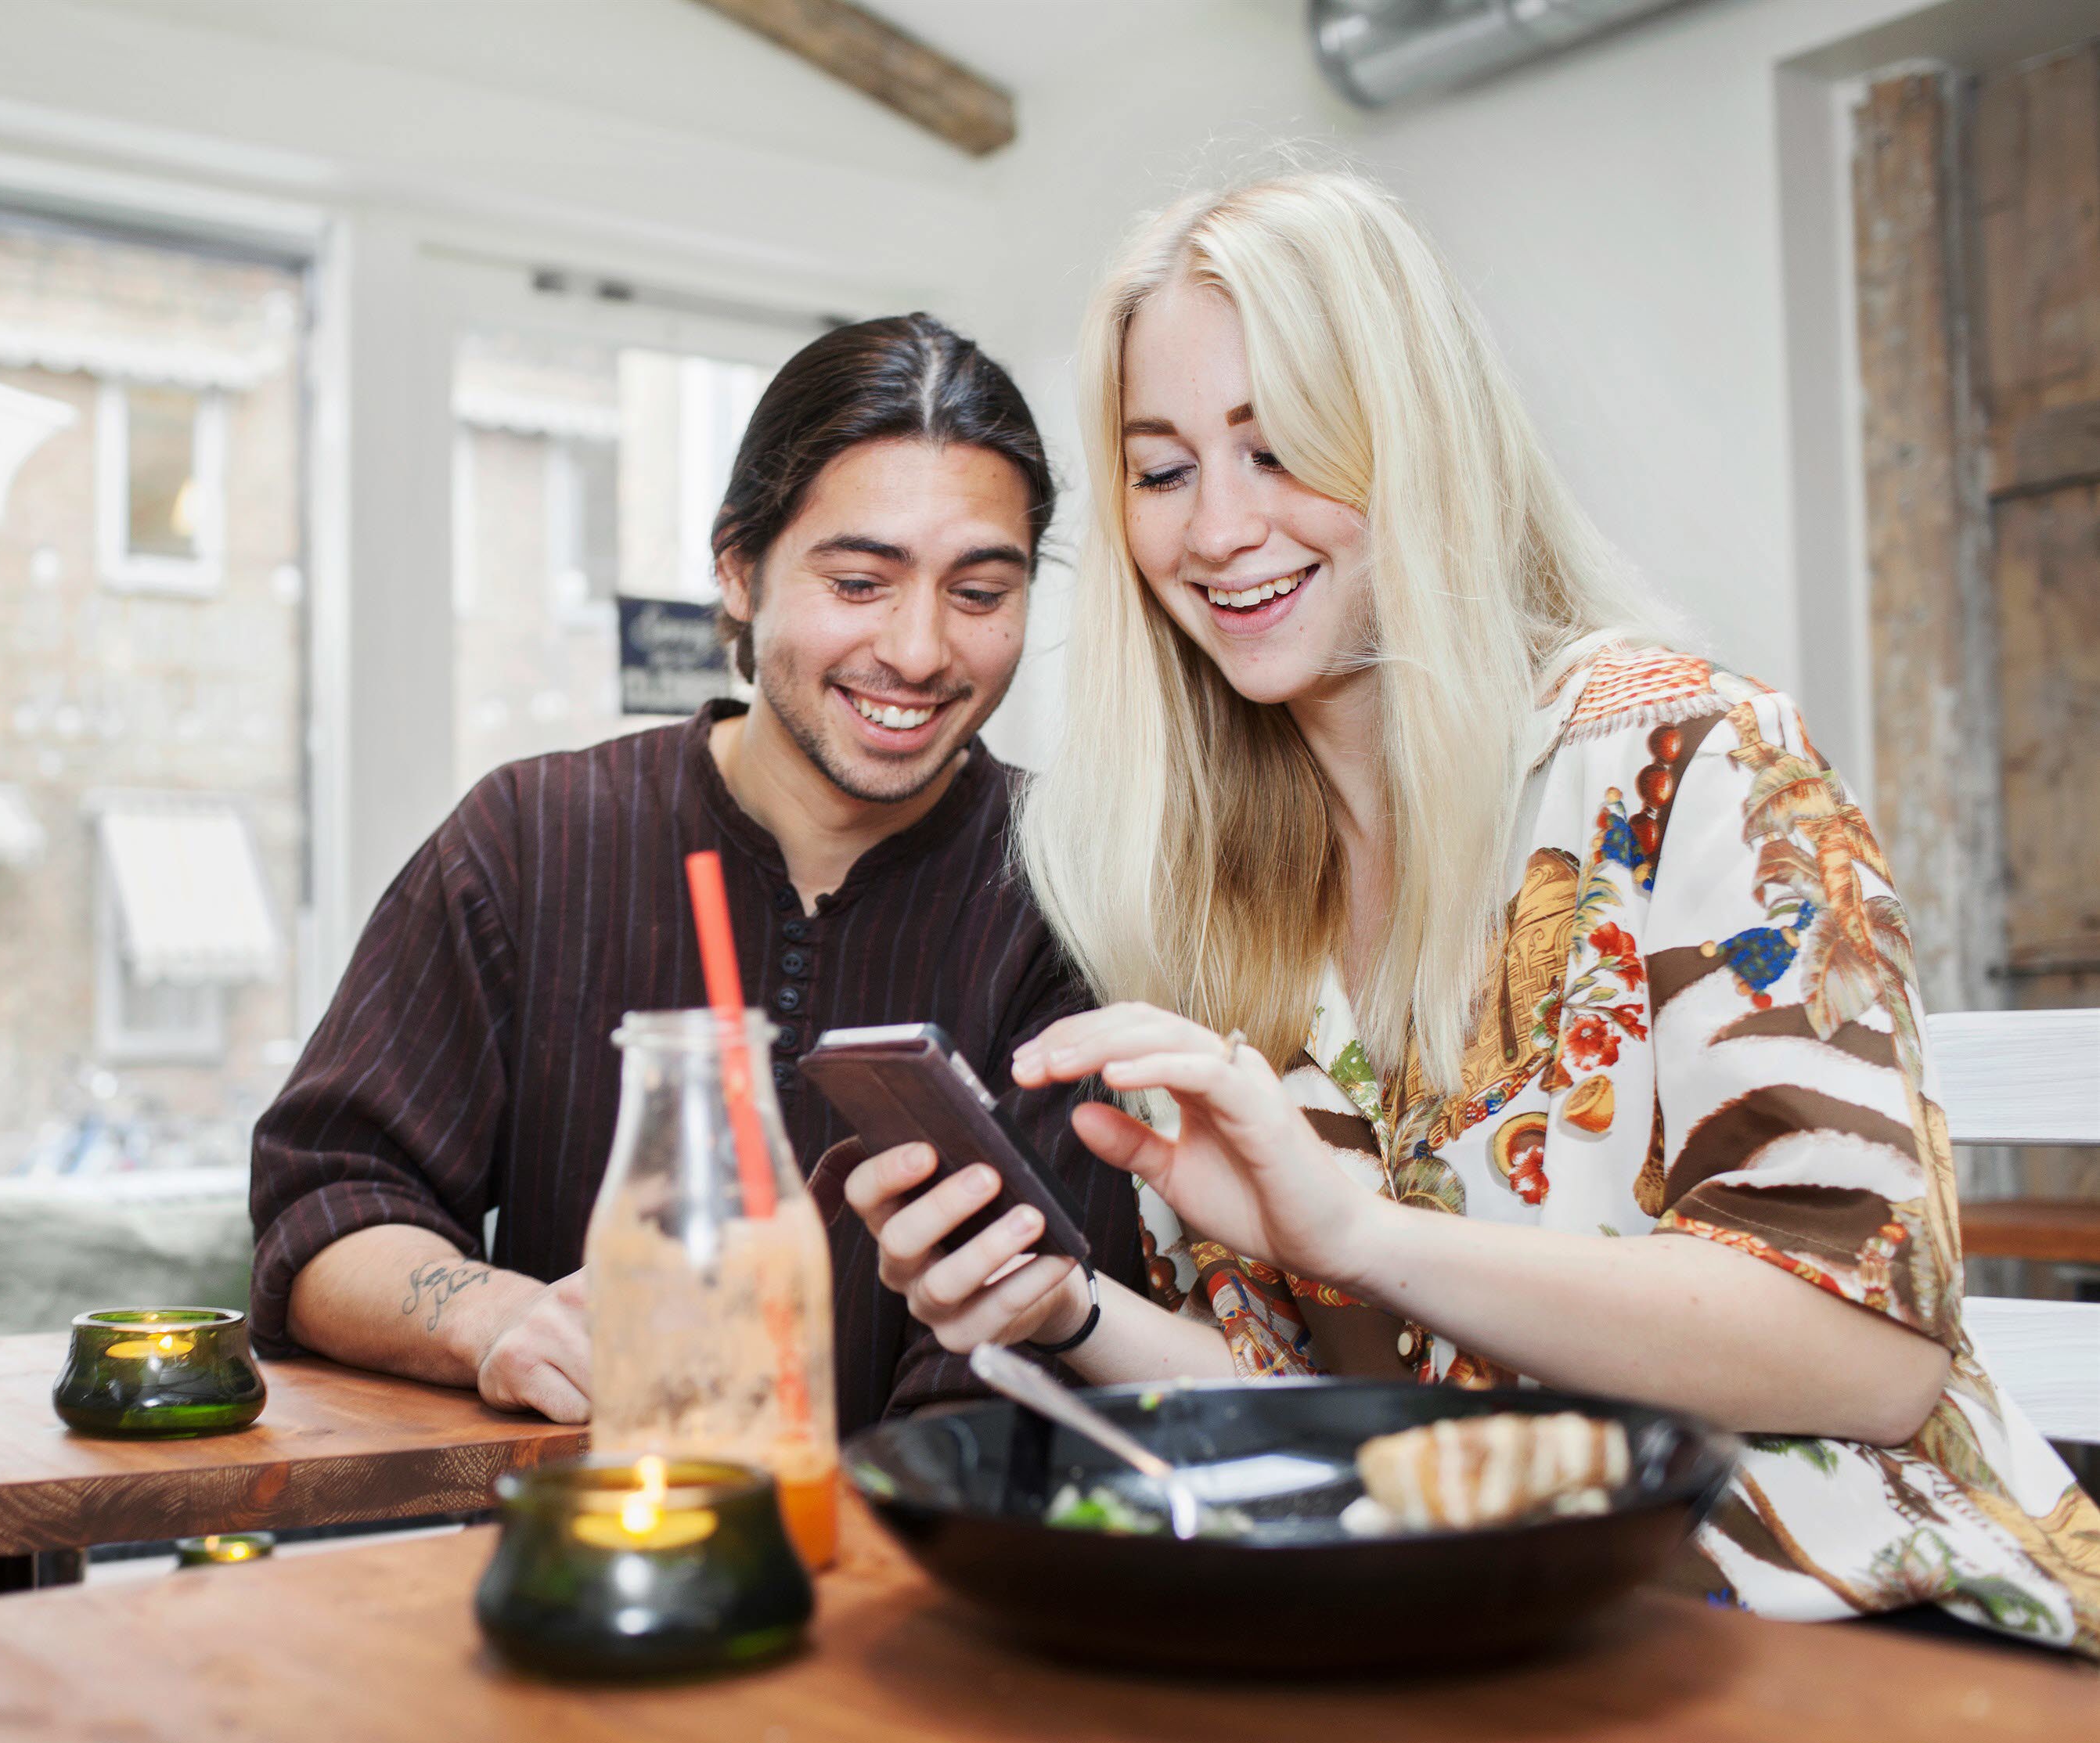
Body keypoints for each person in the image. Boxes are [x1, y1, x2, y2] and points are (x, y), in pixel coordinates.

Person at [849, 170, 2100, 1653]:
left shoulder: (1688, 759)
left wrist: (1364, 1234)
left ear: (1418, 438)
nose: (1220, 528)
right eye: (1164, 469)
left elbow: (1868, 1358)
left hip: (1861, 1640)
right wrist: (1061, 1311)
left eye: (1283, 445)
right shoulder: (1202, 891)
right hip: (1490, 1644)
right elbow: (1347, 1436)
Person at [250, 312, 1144, 1438]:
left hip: (917, 1567)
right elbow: (322, 1210)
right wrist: (489, 1316)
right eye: (861, 582)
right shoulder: (531, 838)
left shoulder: (1067, 892)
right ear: (738, 567)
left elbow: (1033, 1346)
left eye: (978, 594)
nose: (919, 652)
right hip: (588, 1565)